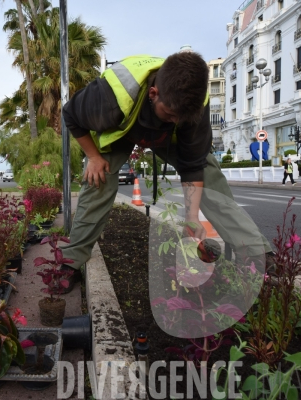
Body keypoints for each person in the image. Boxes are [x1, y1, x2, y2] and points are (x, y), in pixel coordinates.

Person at [59, 52, 275, 291]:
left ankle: (257, 254)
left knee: (209, 172)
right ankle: (71, 261)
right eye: (171, 115)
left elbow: (193, 165)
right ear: (154, 94)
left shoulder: (194, 104)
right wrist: (93, 157)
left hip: (165, 138)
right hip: (123, 126)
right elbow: (70, 114)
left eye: (180, 119)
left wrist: (192, 218)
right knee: (98, 179)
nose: (175, 120)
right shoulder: (109, 96)